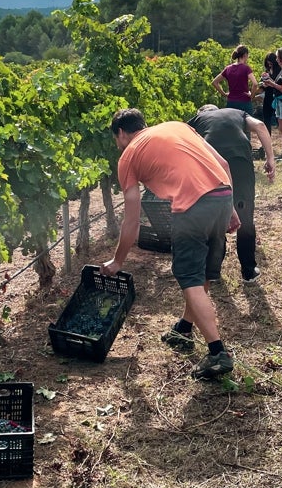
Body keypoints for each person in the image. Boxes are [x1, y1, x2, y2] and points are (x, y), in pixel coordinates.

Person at [101, 108, 240, 381]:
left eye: (116, 139)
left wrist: (118, 261)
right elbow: (222, 164)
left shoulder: (128, 156)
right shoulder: (178, 126)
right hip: (223, 195)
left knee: (189, 277)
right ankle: (184, 330)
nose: (118, 145)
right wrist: (231, 209)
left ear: (120, 133)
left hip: (193, 206)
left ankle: (217, 352)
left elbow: (132, 221)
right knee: (200, 273)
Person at [187, 105, 276, 283]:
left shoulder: (197, 121)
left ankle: (212, 270)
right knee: (244, 215)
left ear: (202, 113)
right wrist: (270, 158)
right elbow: (260, 126)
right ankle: (248, 271)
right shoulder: (237, 113)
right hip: (241, 163)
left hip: (213, 166)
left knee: (213, 215)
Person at [212, 45, 261, 115]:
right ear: (245, 55)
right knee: (248, 124)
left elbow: (214, 82)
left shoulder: (228, 68)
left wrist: (224, 94)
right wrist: (251, 96)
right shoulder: (246, 68)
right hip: (244, 102)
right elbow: (255, 84)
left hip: (231, 102)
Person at [259, 52, 280, 137]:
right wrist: (262, 83)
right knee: (266, 118)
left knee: (279, 119)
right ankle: (267, 137)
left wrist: (270, 80)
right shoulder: (267, 71)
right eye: (267, 63)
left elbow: (279, 84)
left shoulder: (279, 71)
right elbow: (262, 85)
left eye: (270, 62)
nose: (269, 64)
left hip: (276, 96)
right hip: (268, 96)